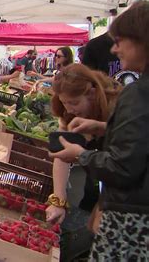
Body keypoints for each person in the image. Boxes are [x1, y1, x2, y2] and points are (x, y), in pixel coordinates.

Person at [49, 0, 149, 260]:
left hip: (132, 219)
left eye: (120, 40)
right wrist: (104, 128)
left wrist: (82, 155)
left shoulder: (134, 95)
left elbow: (124, 166)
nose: (115, 49)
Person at [45, 63, 121, 225]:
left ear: (92, 94)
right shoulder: (68, 114)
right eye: (64, 102)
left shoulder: (119, 107)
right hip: (97, 180)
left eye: (74, 103)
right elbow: (62, 155)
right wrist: (58, 201)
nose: (69, 109)